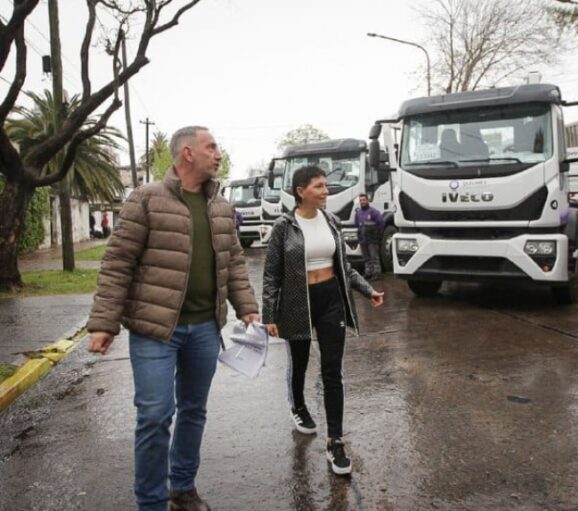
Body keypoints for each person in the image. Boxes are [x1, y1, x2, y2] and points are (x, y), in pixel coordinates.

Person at [86, 126, 260, 511]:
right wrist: (103, 323)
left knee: (194, 409)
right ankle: (150, 502)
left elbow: (233, 263)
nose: (218, 153)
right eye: (211, 147)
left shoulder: (220, 206)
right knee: (154, 414)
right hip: (154, 330)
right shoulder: (145, 199)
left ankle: (182, 487)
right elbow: (118, 263)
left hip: (204, 328)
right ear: (187, 153)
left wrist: (246, 305)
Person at [262, 165, 384, 476]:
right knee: (299, 361)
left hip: (330, 299)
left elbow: (344, 265)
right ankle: (299, 407)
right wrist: (269, 315)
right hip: (297, 301)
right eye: (318, 186)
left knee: (333, 371)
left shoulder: (331, 221)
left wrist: (368, 290)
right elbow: (271, 275)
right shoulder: (283, 227)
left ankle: (335, 441)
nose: (325, 191)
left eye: (326, 186)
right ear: (301, 191)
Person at [354, 193, 385, 280]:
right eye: (361, 200)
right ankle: (368, 273)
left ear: (367, 200)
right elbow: (357, 224)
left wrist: (377, 234)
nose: (362, 202)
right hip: (363, 239)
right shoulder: (358, 213)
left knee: (374, 257)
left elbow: (381, 223)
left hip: (372, 239)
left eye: (364, 200)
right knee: (366, 258)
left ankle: (377, 273)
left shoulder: (374, 212)